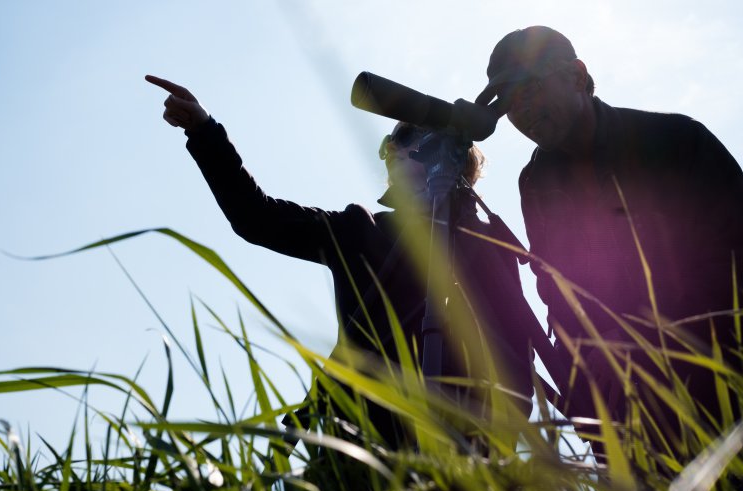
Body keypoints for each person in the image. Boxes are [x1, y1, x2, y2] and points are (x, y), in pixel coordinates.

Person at [145, 75, 539, 446]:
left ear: (445, 150)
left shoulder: (485, 244)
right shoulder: (360, 231)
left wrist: (488, 458)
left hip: (459, 453)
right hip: (359, 447)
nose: (390, 150)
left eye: (402, 136)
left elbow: (516, 374)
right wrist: (204, 131)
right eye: (386, 143)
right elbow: (257, 217)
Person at [475, 26, 743, 442]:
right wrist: (583, 372)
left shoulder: (676, 141)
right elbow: (557, 291)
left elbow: (741, 259)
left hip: (732, 400)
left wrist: (645, 343)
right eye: (509, 104)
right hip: (630, 424)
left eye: (531, 90)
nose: (521, 113)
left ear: (577, 76)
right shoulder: (536, 183)